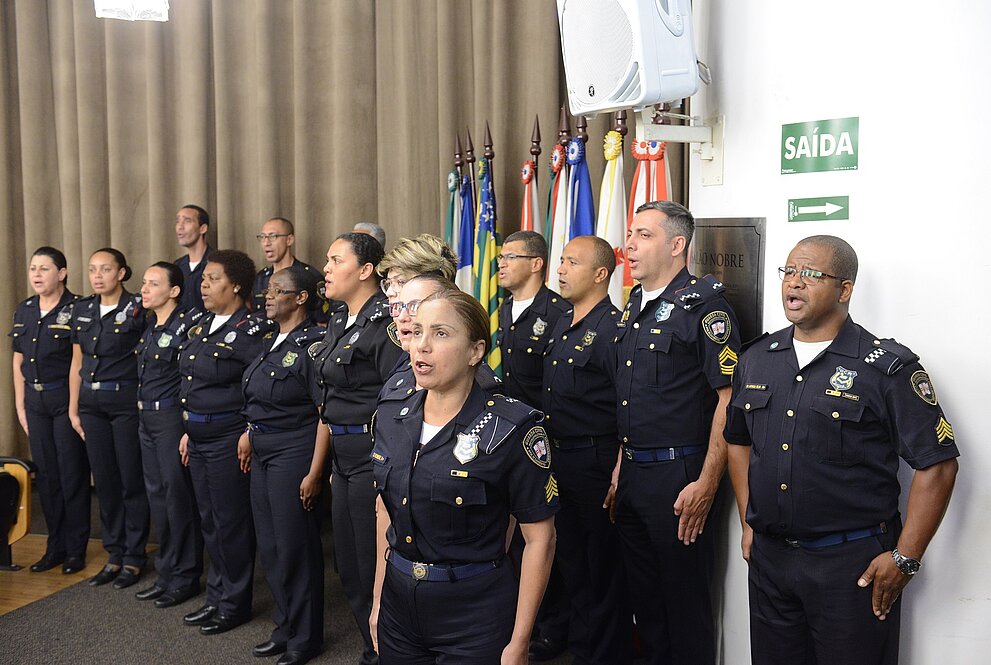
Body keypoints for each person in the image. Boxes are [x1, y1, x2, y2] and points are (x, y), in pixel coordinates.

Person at [724, 235, 959, 665]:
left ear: (844, 289)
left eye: (811, 274)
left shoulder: (884, 368)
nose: (794, 282)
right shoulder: (757, 358)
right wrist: (747, 521)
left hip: (851, 567)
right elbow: (738, 441)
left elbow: (938, 465)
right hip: (771, 563)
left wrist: (905, 558)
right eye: (789, 271)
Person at [369, 288, 558, 664]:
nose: (422, 346)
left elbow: (540, 540)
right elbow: (386, 512)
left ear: (476, 351)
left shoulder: (511, 428)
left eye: (440, 333)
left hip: (475, 614)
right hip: (399, 607)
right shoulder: (391, 414)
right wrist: (377, 604)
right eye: (417, 331)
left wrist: (520, 641)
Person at [607, 201, 741, 665]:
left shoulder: (704, 308)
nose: (629, 244)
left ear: (677, 244)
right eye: (630, 234)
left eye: (644, 235)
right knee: (645, 603)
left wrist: (707, 483)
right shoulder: (635, 303)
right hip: (633, 474)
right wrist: (620, 467)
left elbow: (727, 400)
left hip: (679, 475)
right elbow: (633, 399)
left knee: (684, 607)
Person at [309, 232, 404, 665]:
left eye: (336, 261)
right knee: (348, 566)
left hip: (372, 455)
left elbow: (399, 402)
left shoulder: (386, 324)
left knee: (372, 565)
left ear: (366, 270)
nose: (326, 269)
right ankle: (372, 647)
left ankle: (385, 652)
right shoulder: (337, 321)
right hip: (343, 458)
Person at [541, 236, 632, 665]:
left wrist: (619, 468)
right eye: (561, 261)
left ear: (600, 274)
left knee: (602, 570)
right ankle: (581, 651)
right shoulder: (562, 321)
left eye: (571, 262)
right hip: (559, 459)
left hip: (596, 460)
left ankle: (605, 657)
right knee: (572, 563)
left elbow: (626, 406)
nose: (560, 270)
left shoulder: (614, 329)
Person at [177, 249, 273, 635]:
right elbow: (193, 383)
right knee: (209, 520)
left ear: (235, 286)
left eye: (213, 279)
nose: (204, 285)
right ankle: (216, 596)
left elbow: (259, 387)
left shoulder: (252, 330)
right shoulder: (200, 324)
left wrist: (249, 431)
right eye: (203, 279)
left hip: (227, 438)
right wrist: (189, 428)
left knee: (230, 523)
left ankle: (234, 602)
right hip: (198, 435)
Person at [240, 265, 328, 665]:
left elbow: (324, 414)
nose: (268, 295)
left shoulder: (313, 345)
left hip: (294, 450)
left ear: (301, 298)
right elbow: (259, 396)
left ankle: (305, 638)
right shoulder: (270, 339)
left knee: (295, 547)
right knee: (272, 546)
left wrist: (315, 472)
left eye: (278, 290)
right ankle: (285, 626)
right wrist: (248, 431)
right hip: (261, 448)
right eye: (268, 289)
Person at [496, 230, 570, 660]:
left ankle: (553, 629)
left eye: (510, 257)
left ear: (537, 263)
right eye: (500, 257)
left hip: (546, 443)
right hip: (509, 440)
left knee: (545, 537)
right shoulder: (505, 309)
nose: (501, 264)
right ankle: (529, 622)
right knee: (515, 540)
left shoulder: (557, 313)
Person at [68, 248, 150, 589]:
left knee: (130, 479)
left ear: (122, 273)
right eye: (92, 270)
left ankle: (134, 556)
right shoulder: (82, 309)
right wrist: (73, 407)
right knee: (105, 480)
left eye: (105, 269)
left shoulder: (138, 308)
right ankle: (114, 552)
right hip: (91, 404)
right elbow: (77, 362)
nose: (97, 276)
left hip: (125, 403)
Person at [10, 247, 90, 575]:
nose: (37, 275)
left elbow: (77, 362)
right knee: (47, 476)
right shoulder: (25, 309)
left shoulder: (77, 308)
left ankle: (76, 549)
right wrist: (20, 404)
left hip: (64, 398)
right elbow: (17, 358)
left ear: (62, 273)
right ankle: (55, 546)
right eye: (33, 268)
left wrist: (73, 408)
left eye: (44, 268)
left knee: (72, 474)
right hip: (34, 400)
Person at [132, 262, 204, 609]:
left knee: (177, 498)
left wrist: (187, 426)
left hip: (170, 419)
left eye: (153, 284)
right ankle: (167, 571)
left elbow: (190, 378)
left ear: (174, 291)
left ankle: (186, 575)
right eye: (144, 283)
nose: (144, 289)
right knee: (157, 497)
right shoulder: (150, 325)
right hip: (146, 418)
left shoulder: (187, 326)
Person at [251, 217, 329, 325]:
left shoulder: (309, 276)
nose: (266, 243)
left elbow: (322, 322)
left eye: (272, 236)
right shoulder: (260, 278)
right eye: (263, 237)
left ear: (289, 240)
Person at [174, 204, 213, 312]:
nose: (180, 226)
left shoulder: (217, 263)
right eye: (177, 221)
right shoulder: (177, 266)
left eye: (187, 221)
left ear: (203, 228)